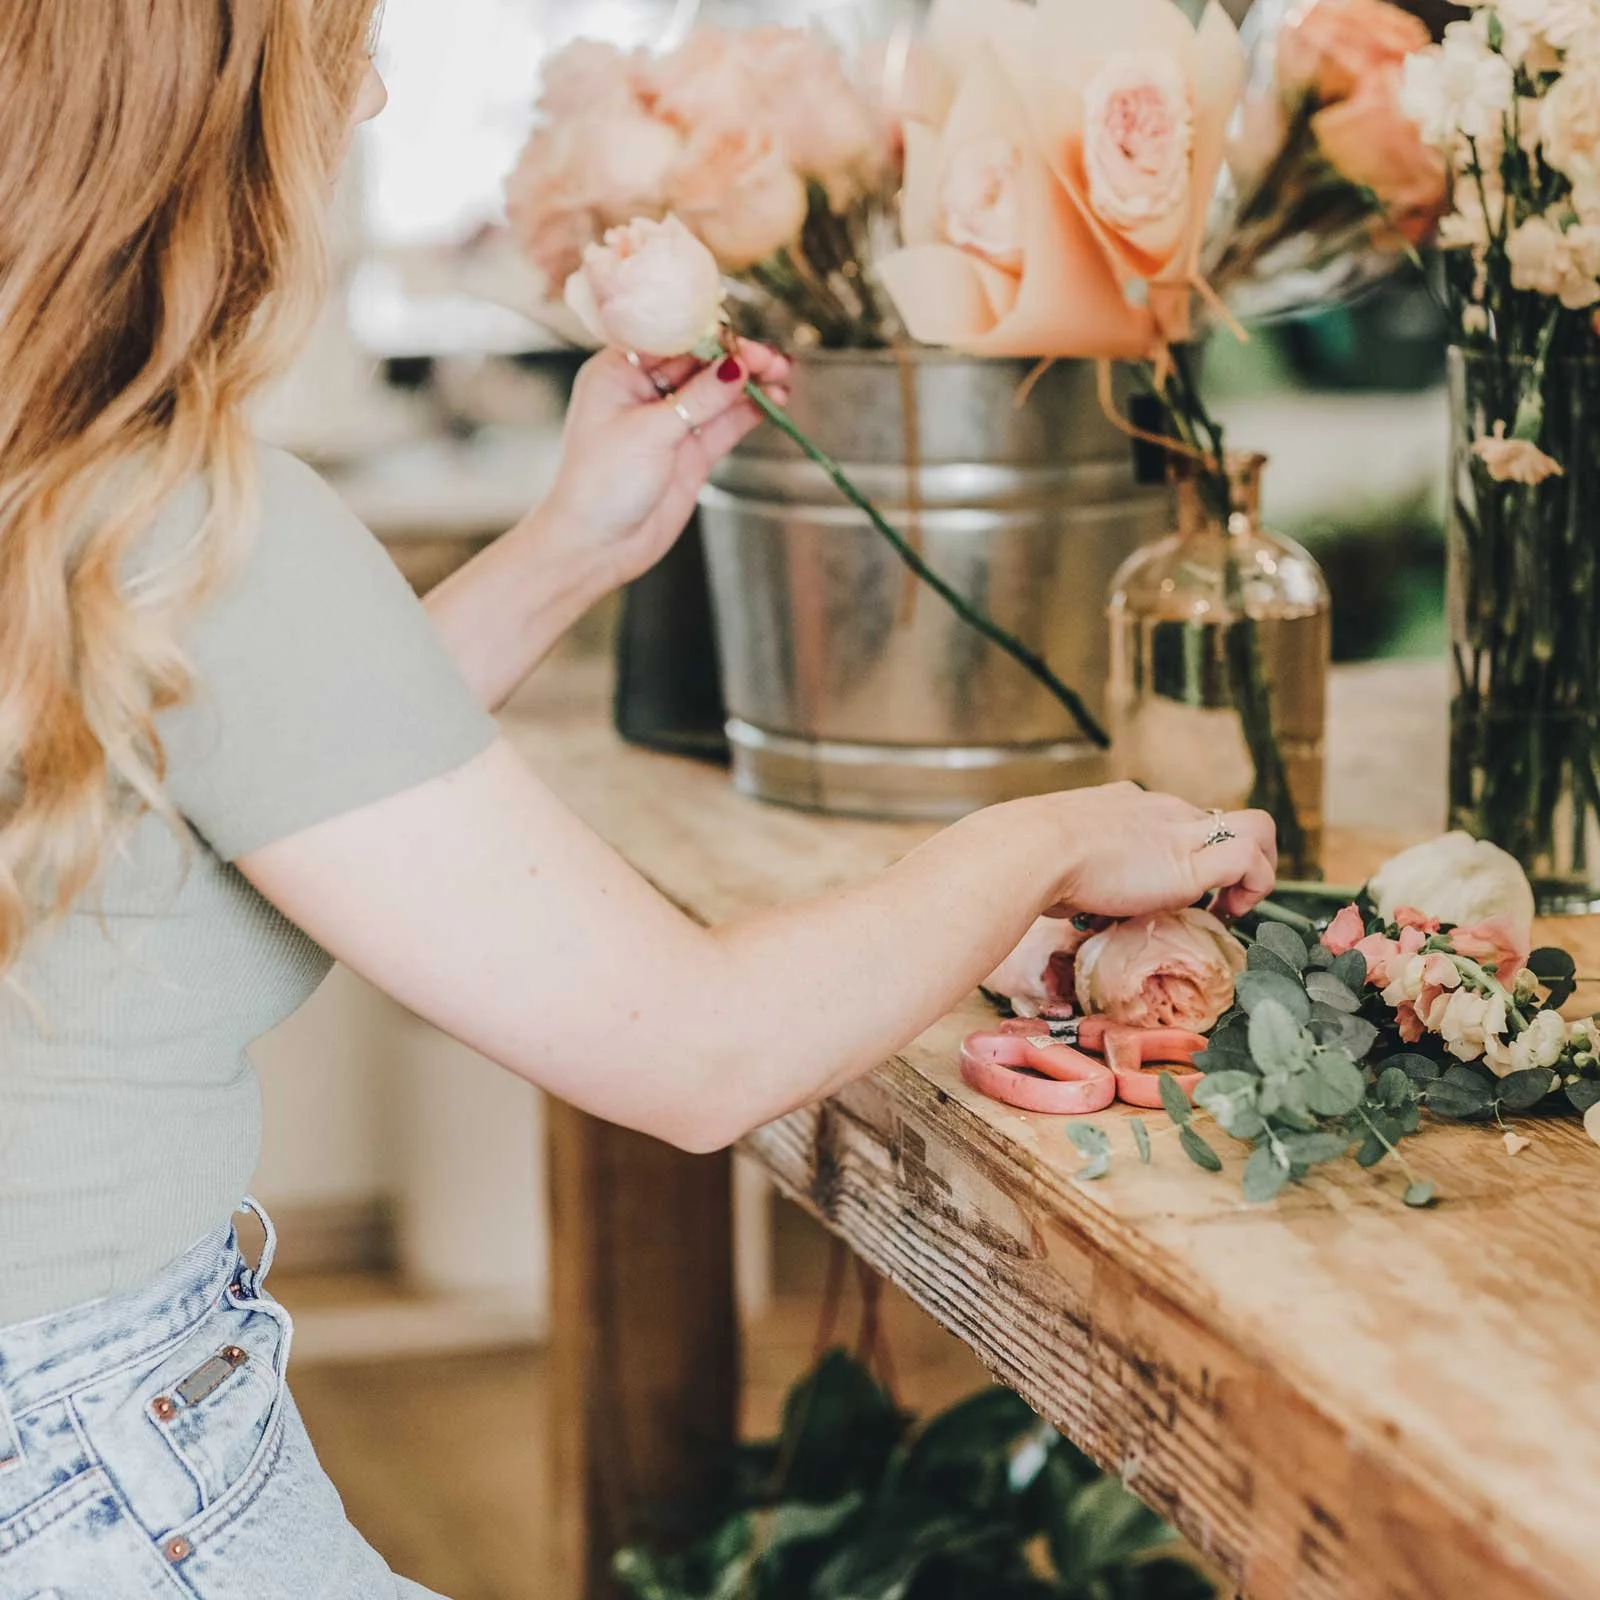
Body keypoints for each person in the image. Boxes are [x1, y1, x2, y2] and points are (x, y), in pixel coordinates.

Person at [0, 5, 1277, 1597]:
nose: (378, 86)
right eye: (344, 44)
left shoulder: (63, 478)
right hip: (96, 1495)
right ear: (204, 99)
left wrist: (565, 550)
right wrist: (1055, 836)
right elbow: (698, 1053)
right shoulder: (191, 516)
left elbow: (220, 767)